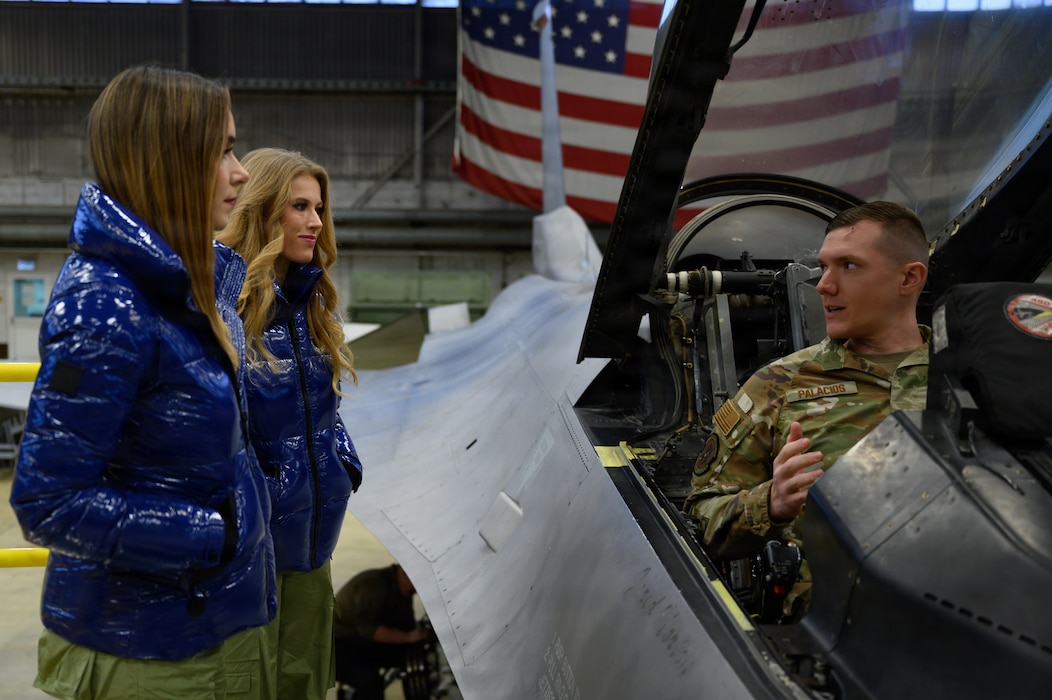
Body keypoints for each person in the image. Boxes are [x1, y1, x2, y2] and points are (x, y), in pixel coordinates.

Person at [9, 65, 276, 699]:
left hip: (215, 622)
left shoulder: (192, 288)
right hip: (151, 654)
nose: (241, 171)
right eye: (223, 150)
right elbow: (47, 502)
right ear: (170, 161)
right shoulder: (108, 306)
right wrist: (216, 533)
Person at [683, 200, 930, 618]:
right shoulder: (779, 385)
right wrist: (772, 503)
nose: (824, 285)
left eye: (849, 266)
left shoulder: (970, 377)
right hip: (827, 645)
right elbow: (696, 522)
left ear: (908, 278)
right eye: (824, 266)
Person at [218, 147, 363, 700]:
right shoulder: (224, 303)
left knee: (306, 685)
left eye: (319, 208)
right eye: (299, 206)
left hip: (313, 550)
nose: (316, 222)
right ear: (264, 211)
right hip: (254, 554)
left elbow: (325, 411)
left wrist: (339, 464)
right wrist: (270, 489)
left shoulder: (312, 305)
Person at [333, 564, 430, 700]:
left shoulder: (404, 590)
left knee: (414, 656)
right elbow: (369, 630)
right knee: (370, 683)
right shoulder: (374, 583)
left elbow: (407, 627)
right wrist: (408, 637)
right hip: (335, 646)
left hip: (360, 642)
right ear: (404, 572)